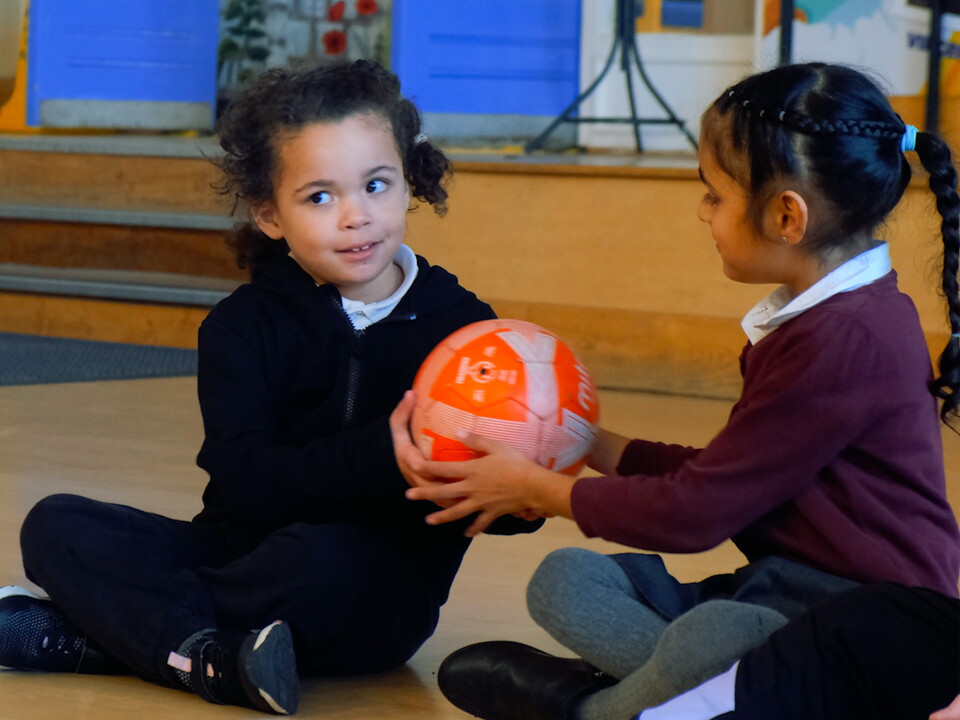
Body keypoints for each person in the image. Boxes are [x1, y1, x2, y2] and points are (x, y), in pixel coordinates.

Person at [390, 62, 960, 720]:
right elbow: (727, 478)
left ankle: (593, 709)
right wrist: (585, 442)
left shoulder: (845, 340)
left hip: (854, 632)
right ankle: (668, 695)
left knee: (713, 640)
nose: (702, 211)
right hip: (778, 593)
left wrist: (535, 488)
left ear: (785, 215)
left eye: (714, 194)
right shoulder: (820, 316)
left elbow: (696, 515)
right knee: (568, 581)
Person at [0, 59, 541, 715]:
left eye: (375, 185)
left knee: (321, 557)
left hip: (363, 596)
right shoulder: (240, 326)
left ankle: (128, 637)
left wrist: (524, 489)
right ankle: (209, 656)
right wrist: (383, 451)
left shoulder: (465, 330)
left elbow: (488, 506)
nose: (355, 216)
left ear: (408, 184)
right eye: (320, 196)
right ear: (270, 214)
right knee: (57, 524)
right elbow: (247, 479)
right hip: (237, 555)